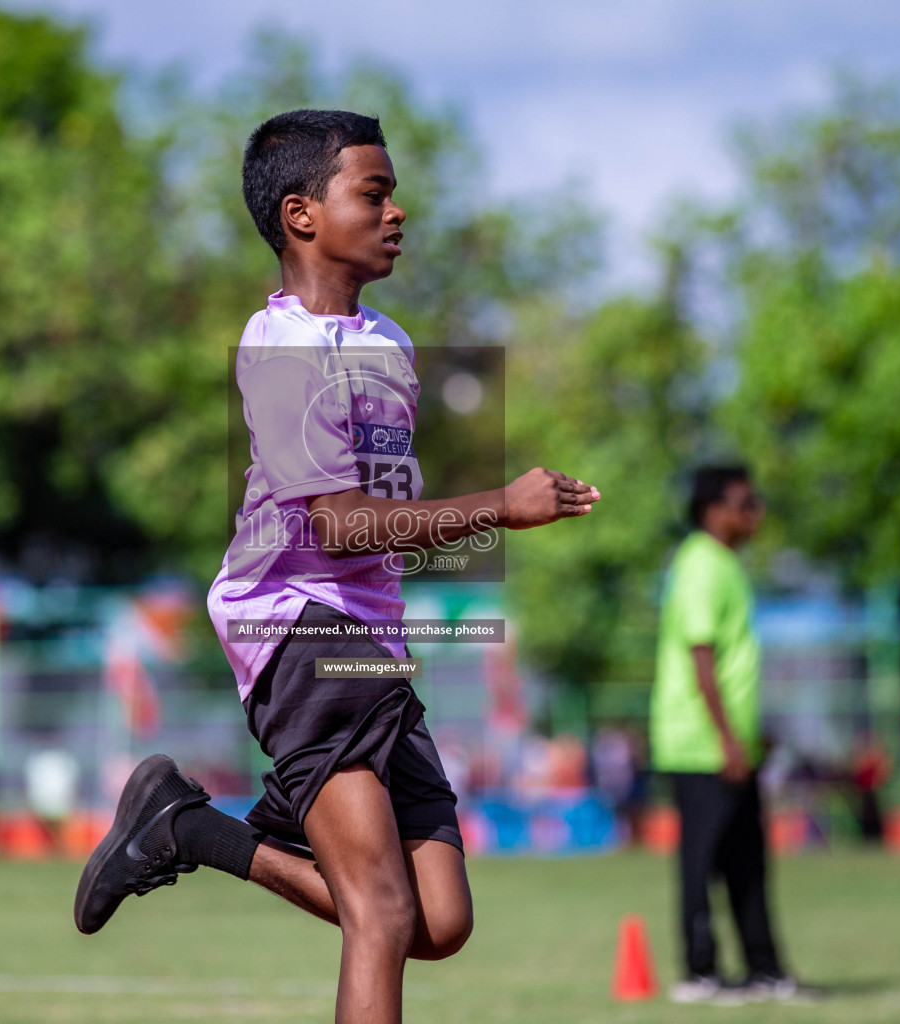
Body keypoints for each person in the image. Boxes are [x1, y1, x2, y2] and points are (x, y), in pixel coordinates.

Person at [72, 109, 601, 1024]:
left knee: (437, 919)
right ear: (300, 214)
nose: (397, 212)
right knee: (382, 912)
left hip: (369, 642)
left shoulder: (389, 347)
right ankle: (184, 829)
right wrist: (500, 509)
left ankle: (185, 829)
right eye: (375, 192)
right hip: (294, 625)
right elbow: (342, 526)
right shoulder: (279, 351)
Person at [650, 465, 810, 1005]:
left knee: (748, 861)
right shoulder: (699, 564)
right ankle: (700, 974)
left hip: (729, 742)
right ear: (713, 509)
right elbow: (701, 658)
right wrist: (728, 740)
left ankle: (765, 970)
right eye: (746, 502)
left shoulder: (726, 564)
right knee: (703, 860)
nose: (755, 512)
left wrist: (750, 732)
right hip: (700, 744)